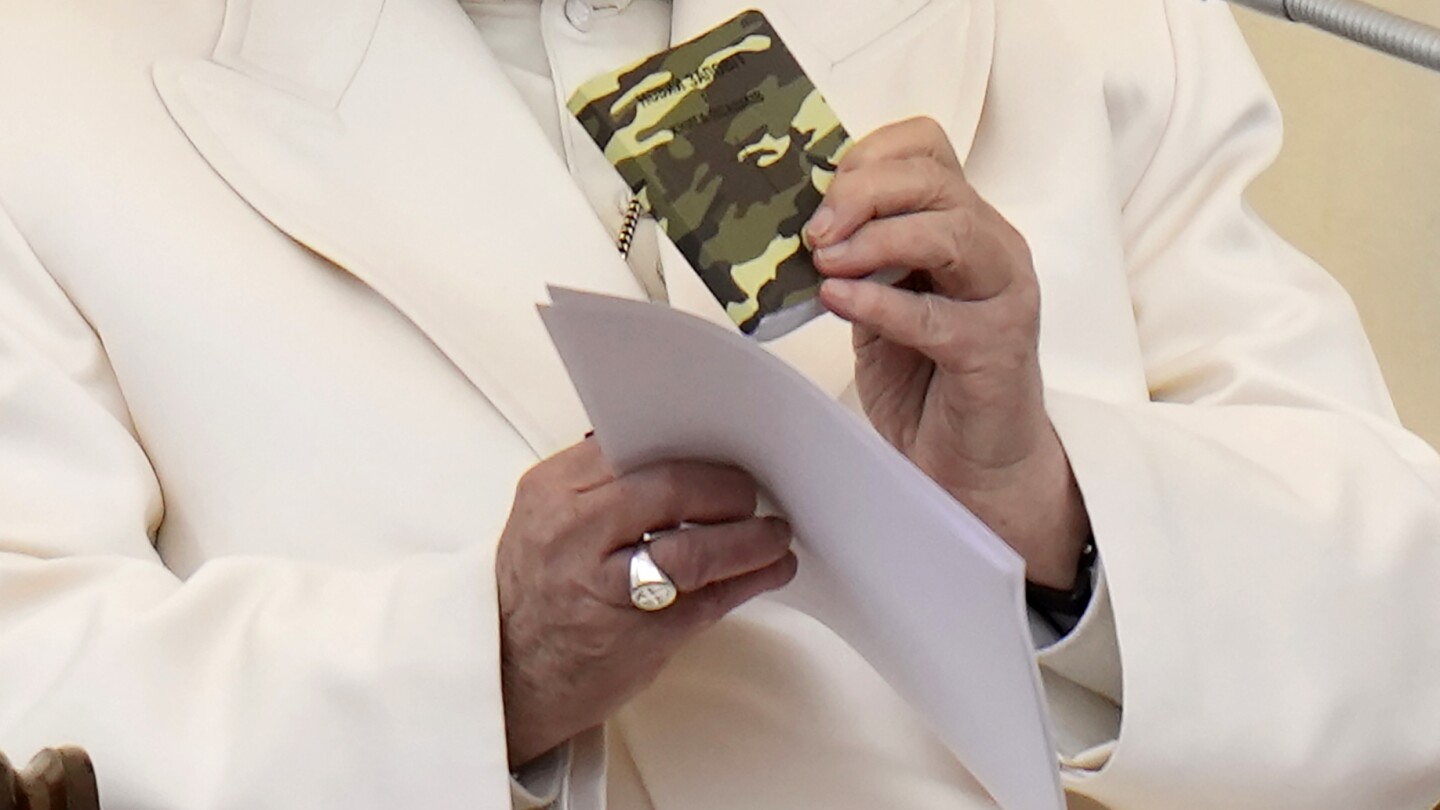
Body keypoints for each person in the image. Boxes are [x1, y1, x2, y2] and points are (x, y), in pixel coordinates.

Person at [0, 0, 1436, 808]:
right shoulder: (42, 93)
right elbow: (36, 693)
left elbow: (1406, 627)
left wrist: (1055, 511)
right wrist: (479, 662)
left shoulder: (1089, 24)